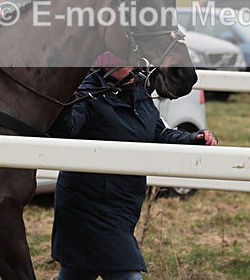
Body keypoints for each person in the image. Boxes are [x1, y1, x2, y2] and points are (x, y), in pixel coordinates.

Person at [49, 52, 218, 280]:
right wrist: (65, 95)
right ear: (105, 64)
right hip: (88, 204)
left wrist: (193, 138)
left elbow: (157, 131)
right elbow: (65, 129)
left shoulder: (137, 90)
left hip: (122, 205)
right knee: (126, 272)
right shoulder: (86, 92)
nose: (136, 66)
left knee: (78, 270)